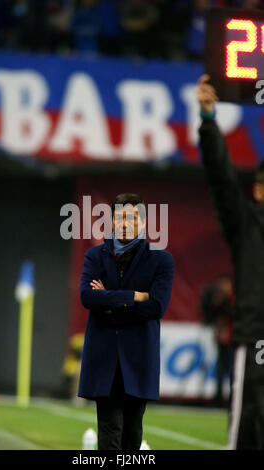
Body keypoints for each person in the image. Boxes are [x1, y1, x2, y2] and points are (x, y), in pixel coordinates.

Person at [197, 74, 264, 449]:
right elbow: (221, 180)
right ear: (258, 190)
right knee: (243, 438)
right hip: (254, 343)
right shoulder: (245, 223)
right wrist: (208, 121)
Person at [78, 193, 174, 450]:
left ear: (143, 223)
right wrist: (133, 296)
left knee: (132, 435)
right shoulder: (95, 256)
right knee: (109, 434)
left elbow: (155, 306)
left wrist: (109, 302)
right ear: (111, 222)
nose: (124, 224)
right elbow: (87, 297)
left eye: (131, 218)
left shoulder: (161, 260)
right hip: (104, 358)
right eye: (119, 218)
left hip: (139, 359)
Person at [201, 274, 234, 406]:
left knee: (232, 371)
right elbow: (208, 316)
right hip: (222, 340)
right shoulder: (217, 300)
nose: (222, 288)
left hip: (233, 341)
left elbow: (235, 315)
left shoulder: (234, 300)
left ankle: (233, 398)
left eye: (224, 284)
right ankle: (218, 397)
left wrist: (223, 304)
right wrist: (214, 304)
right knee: (221, 370)